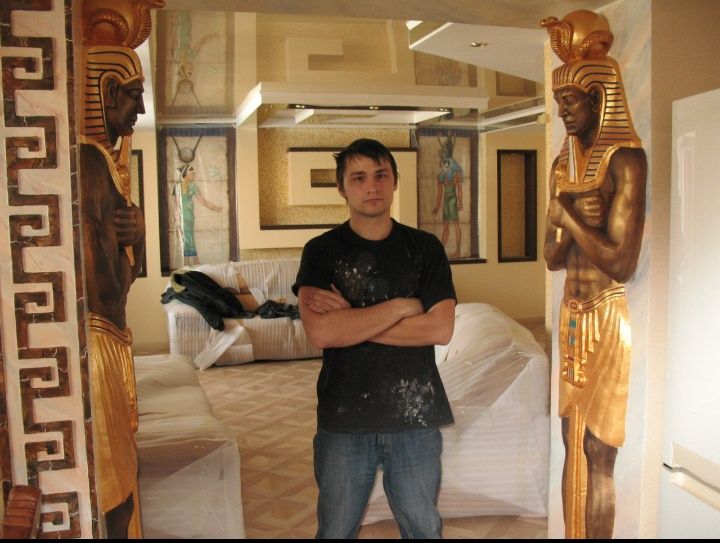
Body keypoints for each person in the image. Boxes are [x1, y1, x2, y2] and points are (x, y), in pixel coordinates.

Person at [293, 138, 457, 539]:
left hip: (416, 417)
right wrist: (403, 307)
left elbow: (440, 329)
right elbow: (321, 332)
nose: (372, 186)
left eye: (381, 175)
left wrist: (350, 319)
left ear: (395, 181)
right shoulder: (321, 251)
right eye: (359, 178)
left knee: (423, 529)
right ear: (341, 187)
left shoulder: (425, 248)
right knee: (335, 530)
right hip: (344, 418)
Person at [541, 11, 647, 539]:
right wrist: (567, 223)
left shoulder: (626, 161)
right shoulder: (562, 166)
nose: (562, 112)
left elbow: (622, 263)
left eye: (570, 101)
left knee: (599, 449)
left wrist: (572, 221)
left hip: (607, 312)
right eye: (558, 101)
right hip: (571, 312)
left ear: (599, 98)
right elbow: (551, 258)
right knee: (569, 439)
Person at [79, 43, 147, 538]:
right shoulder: (87, 162)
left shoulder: (102, 161)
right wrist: (132, 240)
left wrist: (138, 235)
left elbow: (126, 273)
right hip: (96, 338)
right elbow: (106, 280)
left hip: (110, 333)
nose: (140, 109)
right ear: (105, 92)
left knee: (122, 477)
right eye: (133, 95)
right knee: (115, 488)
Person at [174, 163, 222, 265]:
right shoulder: (187, 186)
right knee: (188, 238)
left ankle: (189, 263)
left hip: (185, 217)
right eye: (192, 173)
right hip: (186, 217)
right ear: (186, 174)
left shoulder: (184, 186)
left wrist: (216, 208)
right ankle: (194, 262)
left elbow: (177, 205)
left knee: (187, 238)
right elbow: (203, 202)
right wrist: (216, 208)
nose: (194, 175)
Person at [431, 155, 463, 258]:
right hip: (446, 201)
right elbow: (439, 193)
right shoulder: (441, 176)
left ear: (449, 164)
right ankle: (442, 251)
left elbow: (459, 189)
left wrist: (460, 202)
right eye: (442, 166)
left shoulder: (456, 174)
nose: (444, 168)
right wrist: (437, 206)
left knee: (456, 223)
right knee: (446, 225)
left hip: (452, 200)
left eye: (445, 165)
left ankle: (458, 250)